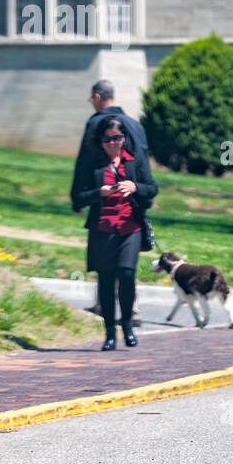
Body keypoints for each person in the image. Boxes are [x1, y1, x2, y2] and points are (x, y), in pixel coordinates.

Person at [71, 116, 158, 351]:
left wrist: (135, 187)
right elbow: (78, 196)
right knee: (107, 281)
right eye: (107, 139)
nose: (112, 143)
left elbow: (152, 188)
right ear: (100, 141)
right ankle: (110, 332)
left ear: (124, 138)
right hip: (103, 229)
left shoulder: (134, 161)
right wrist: (99, 192)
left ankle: (127, 326)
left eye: (117, 138)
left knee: (127, 275)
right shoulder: (94, 165)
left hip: (131, 228)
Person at [70, 79, 150, 323]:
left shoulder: (97, 125)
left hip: (107, 196)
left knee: (106, 256)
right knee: (127, 263)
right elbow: (144, 160)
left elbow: (85, 162)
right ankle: (131, 308)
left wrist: (78, 199)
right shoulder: (135, 125)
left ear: (97, 97)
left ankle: (102, 306)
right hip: (133, 199)